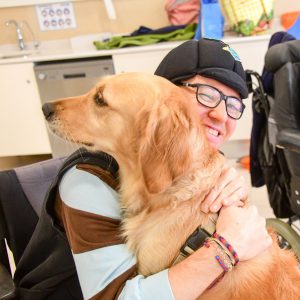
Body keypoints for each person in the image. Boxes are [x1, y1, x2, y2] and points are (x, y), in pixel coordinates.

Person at [51, 38, 273, 299]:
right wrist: (226, 249)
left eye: (233, 105)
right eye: (206, 95)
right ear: (163, 94)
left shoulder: (200, 170)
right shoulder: (88, 179)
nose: (222, 116)